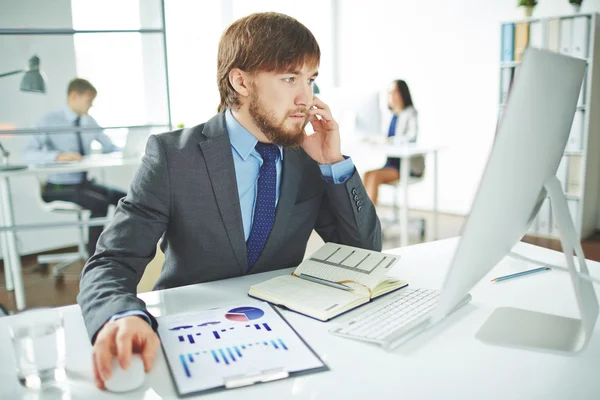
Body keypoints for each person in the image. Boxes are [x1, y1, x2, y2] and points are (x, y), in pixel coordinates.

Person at [77, 12, 382, 390]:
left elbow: (365, 255)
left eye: (311, 80)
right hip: (193, 338)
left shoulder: (308, 155)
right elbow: (111, 262)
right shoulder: (173, 157)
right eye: (290, 78)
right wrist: (120, 315)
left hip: (288, 340)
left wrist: (334, 165)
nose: (307, 98)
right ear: (241, 81)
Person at [22, 78, 126, 257]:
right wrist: (56, 156)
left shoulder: (89, 122)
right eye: (89, 101)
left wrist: (130, 148)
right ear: (74, 96)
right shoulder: (48, 121)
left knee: (125, 199)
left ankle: (126, 247)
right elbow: (27, 155)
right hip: (57, 187)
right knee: (99, 203)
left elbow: (109, 147)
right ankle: (95, 257)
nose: (91, 106)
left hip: (83, 183)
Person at [362, 80, 425, 205]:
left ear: (402, 93)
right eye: (389, 92)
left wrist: (391, 141)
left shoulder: (410, 113)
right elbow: (384, 137)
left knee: (375, 177)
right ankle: (362, 215)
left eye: (394, 92)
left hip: (405, 166)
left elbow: (411, 137)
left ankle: (369, 221)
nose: (391, 95)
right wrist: (372, 140)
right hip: (390, 164)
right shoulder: (390, 116)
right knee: (367, 175)